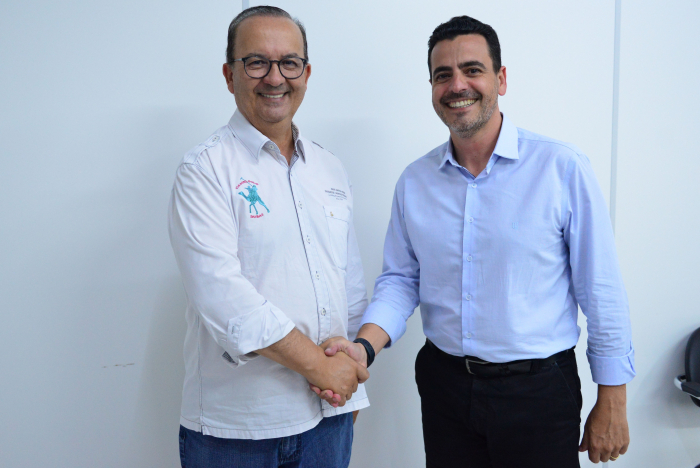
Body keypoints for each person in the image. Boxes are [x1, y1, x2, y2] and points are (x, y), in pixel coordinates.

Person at [315, 15, 634, 468]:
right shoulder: (415, 181)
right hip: (445, 388)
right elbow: (401, 281)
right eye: (442, 75)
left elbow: (600, 289)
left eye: (472, 70)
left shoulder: (561, 168)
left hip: (539, 393)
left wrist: (613, 396)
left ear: (500, 79)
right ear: (431, 87)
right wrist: (363, 347)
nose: (457, 85)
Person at [168, 6, 369, 468]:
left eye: (289, 63)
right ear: (229, 75)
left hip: (329, 419)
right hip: (237, 430)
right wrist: (322, 369)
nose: (275, 77)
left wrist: (349, 378)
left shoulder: (329, 167)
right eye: (256, 62)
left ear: (306, 73)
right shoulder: (204, 169)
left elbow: (349, 286)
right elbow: (224, 297)